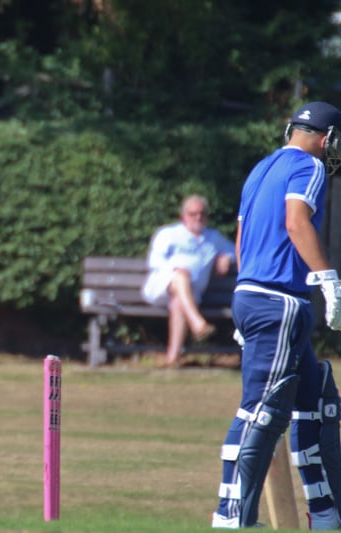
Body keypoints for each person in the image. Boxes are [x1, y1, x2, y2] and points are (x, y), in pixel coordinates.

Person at [211, 101, 341, 529]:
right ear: (328, 139)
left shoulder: (261, 168)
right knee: (262, 411)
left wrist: (244, 301)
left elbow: (243, 237)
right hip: (278, 300)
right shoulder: (310, 166)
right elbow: (296, 221)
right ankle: (231, 517)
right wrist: (328, 278)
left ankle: (325, 515)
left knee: (316, 400)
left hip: (255, 295)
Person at [141, 195, 235, 368]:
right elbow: (154, 262)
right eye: (193, 214)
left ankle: (173, 358)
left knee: (179, 303)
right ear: (183, 216)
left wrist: (226, 257)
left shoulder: (213, 238)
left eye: (202, 214)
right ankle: (197, 322)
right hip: (161, 285)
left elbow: (235, 251)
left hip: (191, 293)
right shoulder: (168, 234)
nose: (198, 217)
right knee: (181, 275)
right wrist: (176, 270)